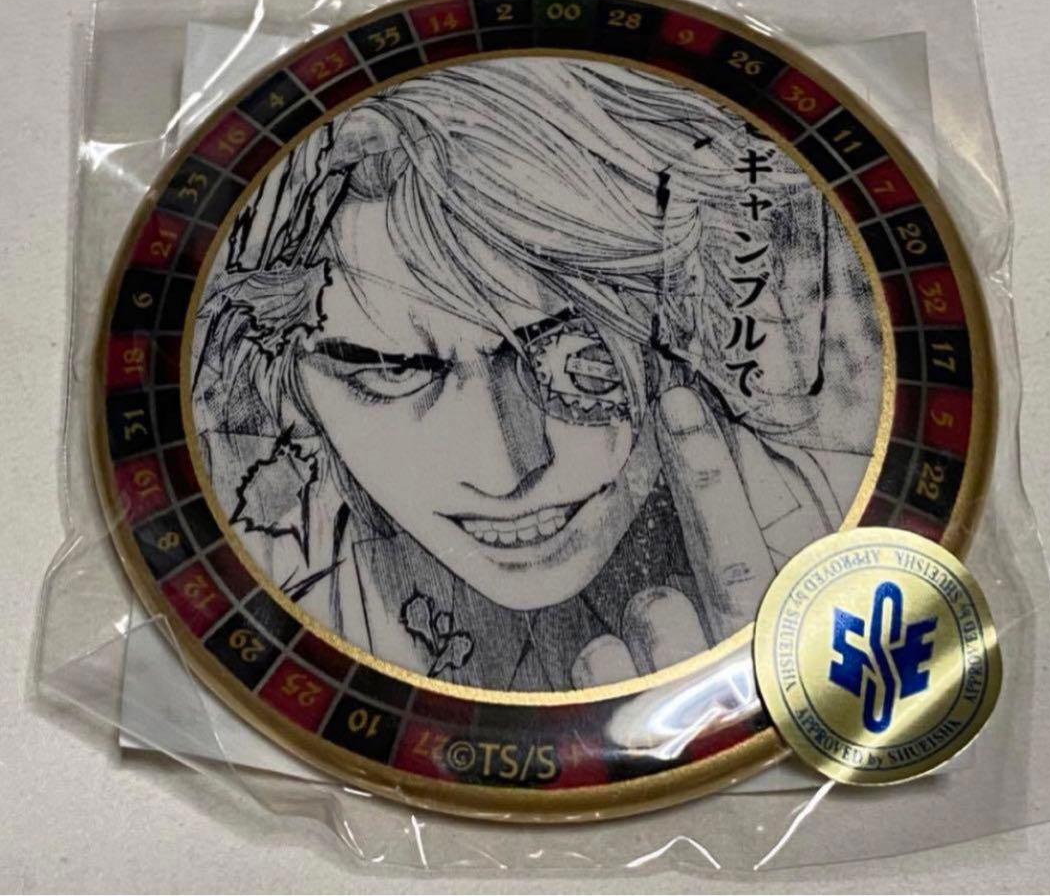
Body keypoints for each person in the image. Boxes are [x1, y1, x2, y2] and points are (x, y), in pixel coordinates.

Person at [191, 57, 881, 691]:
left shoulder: (853, 523)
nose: (508, 471)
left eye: (583, 349)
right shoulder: (258, 586)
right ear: (294, 387)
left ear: (692, 307)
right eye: (393, 369)